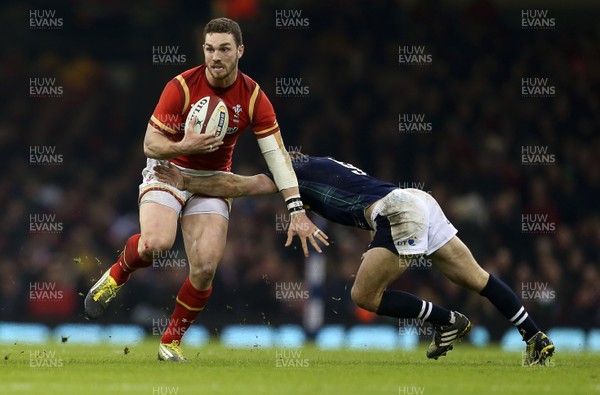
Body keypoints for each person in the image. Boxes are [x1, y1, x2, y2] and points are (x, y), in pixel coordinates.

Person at [154, 153, 556, 366]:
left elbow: (239, 185)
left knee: (364, 295)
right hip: (419, 202)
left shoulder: (293, 172)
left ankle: (448, 320)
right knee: (478, 279)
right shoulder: (322, 163)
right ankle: (535, 337)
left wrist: (187, 181)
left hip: (398, 211)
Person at [83, 18, 326, 362]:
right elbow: (150, 144)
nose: (216, 57)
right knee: (156, 244)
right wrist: (186, 143)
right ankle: (117, 274)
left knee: (206, 267)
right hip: (168, 169)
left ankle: (170, 343)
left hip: (213, 180)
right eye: (210, 49)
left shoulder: (254, 97)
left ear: (239, 51)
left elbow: (278, 158)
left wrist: (297, 211)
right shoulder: (181, 86)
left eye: (224, 49)